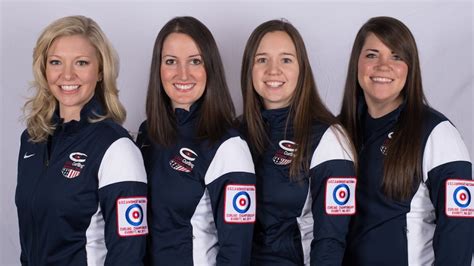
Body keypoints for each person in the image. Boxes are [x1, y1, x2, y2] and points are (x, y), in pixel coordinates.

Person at [339, 16, 473, 265]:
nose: (383, 65)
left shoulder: (436, 132)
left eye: (396, 56)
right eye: (371, 55)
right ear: (356, 63)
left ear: (410, 67)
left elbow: (459, 228)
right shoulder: (337, 133)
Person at [15, 15, 148, 265]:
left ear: (100, 71)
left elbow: (128, 255)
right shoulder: (32, 141)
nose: (67, 75)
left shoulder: (116, 148)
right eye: (56, 62)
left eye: (81, 63)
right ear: (44, 69)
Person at [136, 16, 256, 265]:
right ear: (158, 69)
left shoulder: (228, 146)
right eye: (171, 61)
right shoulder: (146, 134)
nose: (183, 73)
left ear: (209, 68)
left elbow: (237, 252)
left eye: (195, 61)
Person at [240, 19, 357, 265]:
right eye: (262, 59)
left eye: (286, 59)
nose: (273, 70)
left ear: (301, 68)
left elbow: (331, 240)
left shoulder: (329, 137)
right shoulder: (233, 133)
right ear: (249, 68)